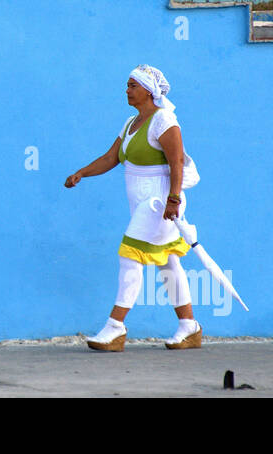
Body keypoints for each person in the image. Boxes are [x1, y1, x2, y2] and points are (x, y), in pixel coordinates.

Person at [64, 64, 202, 351]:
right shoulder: (130, 124)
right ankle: (189, 326)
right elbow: (110, 158)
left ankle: (115, 327)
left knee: (129, 256)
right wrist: (82, 173)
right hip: (142, 203)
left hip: (159, 203)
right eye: (127, 86)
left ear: (149, 90)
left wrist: (173, 199)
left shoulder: (165, 121)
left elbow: (176, 161)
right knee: (168, 262)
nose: (127, 90)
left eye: (132, 85)